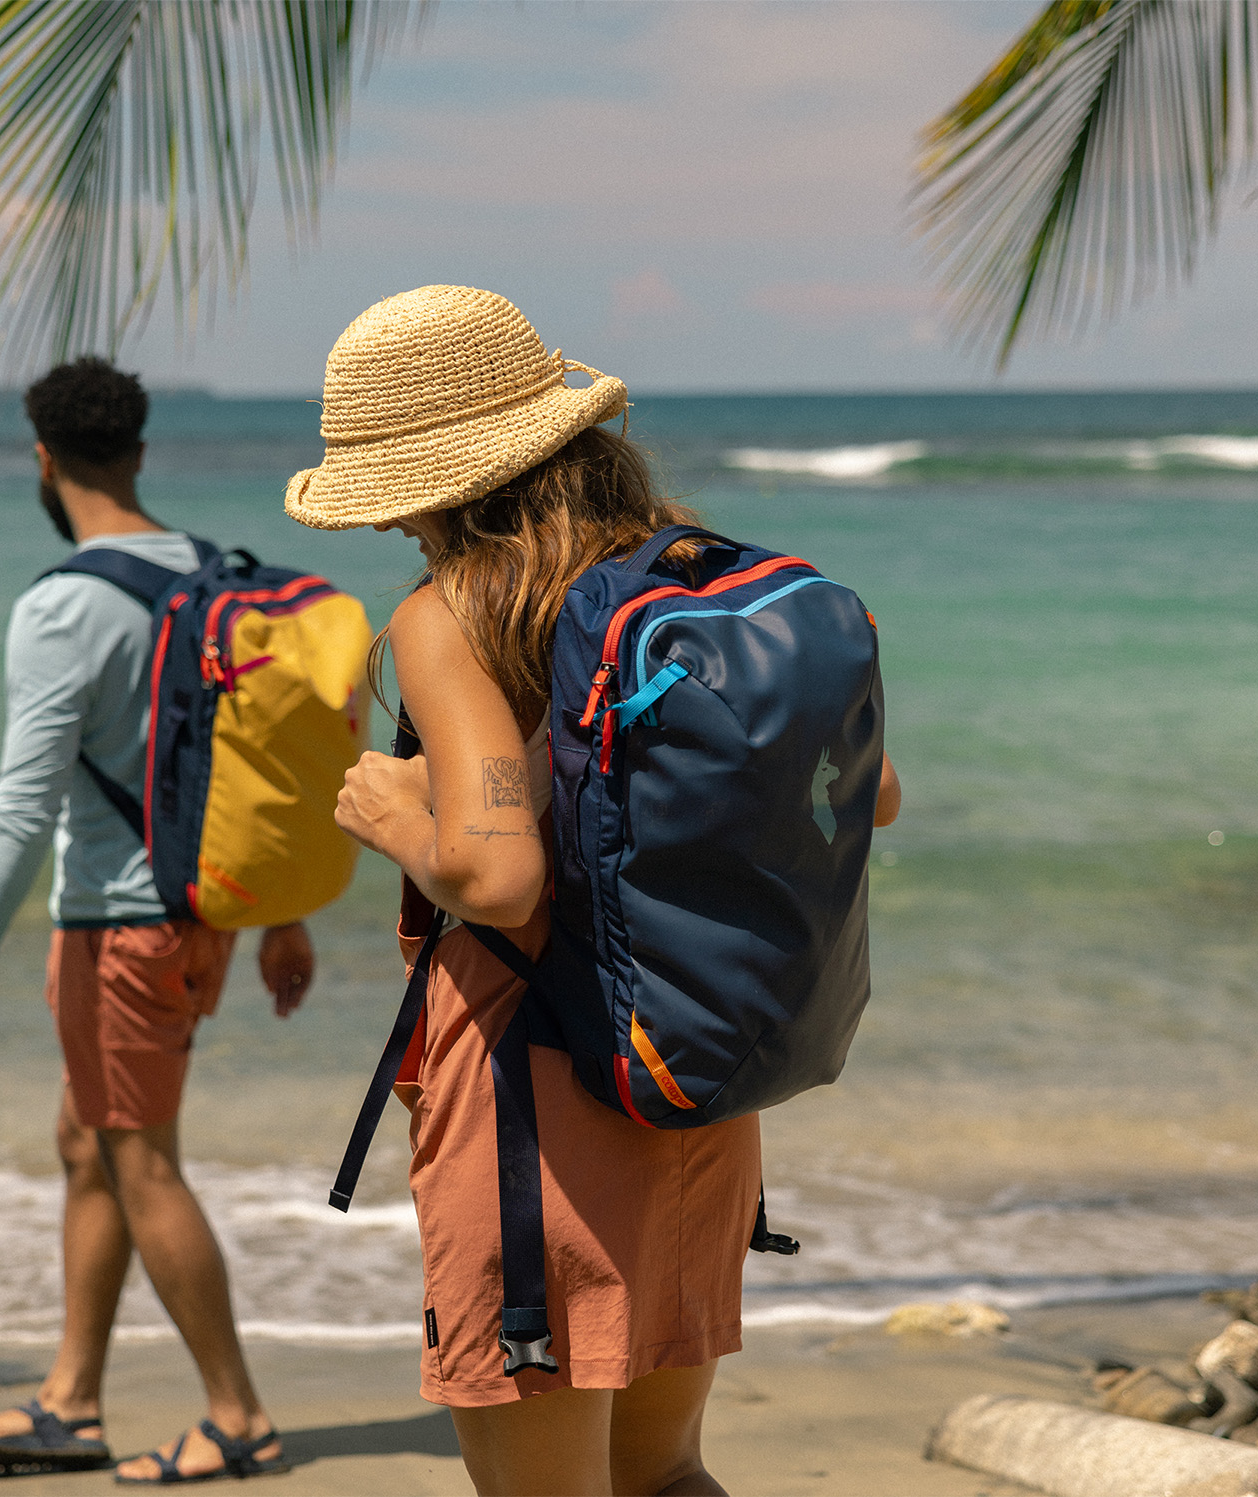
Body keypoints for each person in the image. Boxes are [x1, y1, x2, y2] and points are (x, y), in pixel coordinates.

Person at [293, 285, 898, 1496]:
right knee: (666, 1473)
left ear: (447, 478)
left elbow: (499, 877)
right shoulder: (706, 573)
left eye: (394, 496)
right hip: (686, 1064)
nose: (385, 530)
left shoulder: (454, 608)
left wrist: (392, 814)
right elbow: (870, 799)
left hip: (535, 1089)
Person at [0, 359, 314, 1483]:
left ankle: (237, 1416)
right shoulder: (215, 576)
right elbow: (270, 762)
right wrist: (282, 917)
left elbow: (24, 793)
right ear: (139, 452)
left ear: (42, 459)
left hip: (122, 925)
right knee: (86, 1141)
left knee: (141, 1161)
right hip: (204, 915)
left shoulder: (63, 604)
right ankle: (70, 1403)